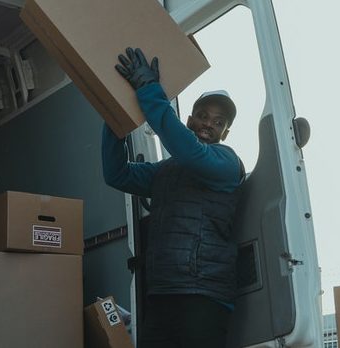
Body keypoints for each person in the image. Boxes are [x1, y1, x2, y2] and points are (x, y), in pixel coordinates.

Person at [103, 47, 244, 347]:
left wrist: (150, 91)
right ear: (190, 120)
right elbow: (117, 174)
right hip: (162, 292)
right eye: (203, 116)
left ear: (225, 133)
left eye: (219, 122)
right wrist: (115, 122)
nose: (209, 123)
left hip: (204, 296)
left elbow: (189, 151)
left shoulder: (227, 163)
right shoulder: (165, 171)